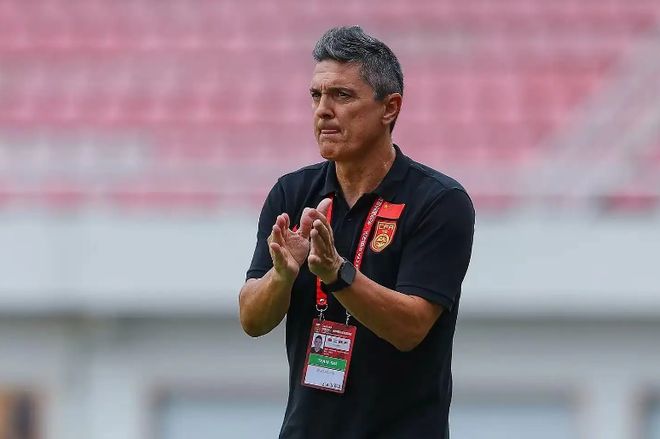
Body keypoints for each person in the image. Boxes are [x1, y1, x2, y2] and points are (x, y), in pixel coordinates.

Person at [239, 26, 474, 439]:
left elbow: (410, 328)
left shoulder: (439, 202)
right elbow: (252, 319)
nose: (323, 110)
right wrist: (282, 275)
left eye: (342, 96)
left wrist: (336, 274)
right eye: (316, 95)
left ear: (390, 108)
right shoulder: (292, 193)